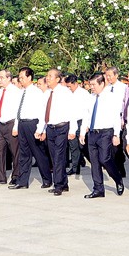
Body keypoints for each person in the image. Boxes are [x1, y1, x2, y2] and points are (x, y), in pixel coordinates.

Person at [79, 72, 124, 198]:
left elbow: (116, 117)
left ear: (102, 83)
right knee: (94, 162)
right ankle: (98, 189)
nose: (91, 87)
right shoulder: (91, 97)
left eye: (93, 84)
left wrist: (116, 135)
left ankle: (117, 178)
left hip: (106, 132)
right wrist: (83, 132)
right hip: (93, 133)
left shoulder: (111, 97)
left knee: (105, 159)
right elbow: (86, 116)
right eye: (90, 84)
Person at [9, 67, 52, 190]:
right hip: (22, 124)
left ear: (29, 78)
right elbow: (19, 111)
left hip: (32, 124)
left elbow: (41, 112)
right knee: (24, 153)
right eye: (19, 77)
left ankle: (47, 179)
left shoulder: (36, 92)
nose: (20, 80)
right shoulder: (22, 92)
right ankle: (23, 181)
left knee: (38, 153)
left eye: (22, 77)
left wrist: (40, 129)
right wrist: (16, 126)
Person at [39, 68, 76, 196]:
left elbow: (72, 112)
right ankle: (64, 183)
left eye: (50, 76)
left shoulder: (65, 92)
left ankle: (58, 184)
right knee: (54, 156)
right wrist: (41, 129)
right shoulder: (47, 93)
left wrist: (72, 130)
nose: (47, 78)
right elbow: (43, 113)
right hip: (50, 128)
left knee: (59, 156)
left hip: (62, 128)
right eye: (47, 75)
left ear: (58, 79)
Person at [0, 70, 22, 185]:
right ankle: (0, 176)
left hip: (11, 123)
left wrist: (16, 126)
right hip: (1, 124)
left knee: (15, 152)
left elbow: (19, 111)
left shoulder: (16, 92)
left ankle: (16, 176)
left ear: (9, 78)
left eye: (2, 78)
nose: (0, 80)